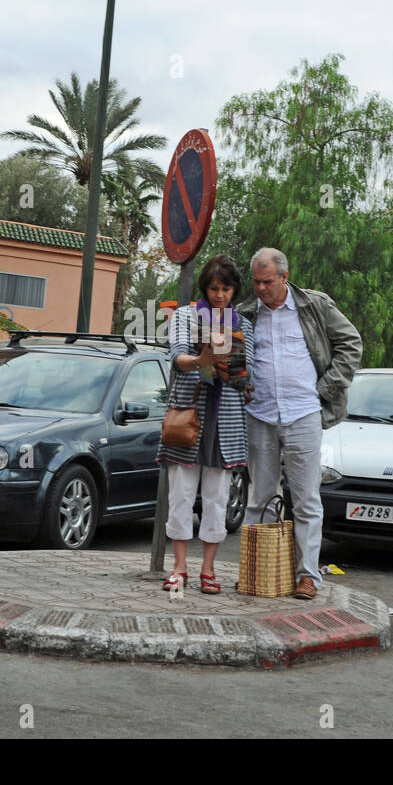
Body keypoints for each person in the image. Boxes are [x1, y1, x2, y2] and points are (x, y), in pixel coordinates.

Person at [237, 248, 362, 599]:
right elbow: (233, 359)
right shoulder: (245, 313)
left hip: (304, 413)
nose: (261, 288)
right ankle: (256, 570)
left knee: (306, 499)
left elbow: (351, 343)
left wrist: (325, 389)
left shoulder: (314, 306)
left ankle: (308, 577)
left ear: (284, 278)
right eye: (257, 282)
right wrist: (241, 384)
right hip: (260, 415)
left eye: (268, 282)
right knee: (259, 497)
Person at [157, 254, 255, 595]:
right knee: (181, 494)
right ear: (205, 288)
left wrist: (236, 370)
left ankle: (208, 569)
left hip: (224, 422)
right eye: (214, 288)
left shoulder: (242, 324)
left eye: (226, 288)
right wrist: (201, 360)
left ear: (234, 290)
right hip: (187, 418)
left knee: (217, 498)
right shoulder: (184, 316)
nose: (219, 295)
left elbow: (248, 373)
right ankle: (179, 568)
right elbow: (177, 357)